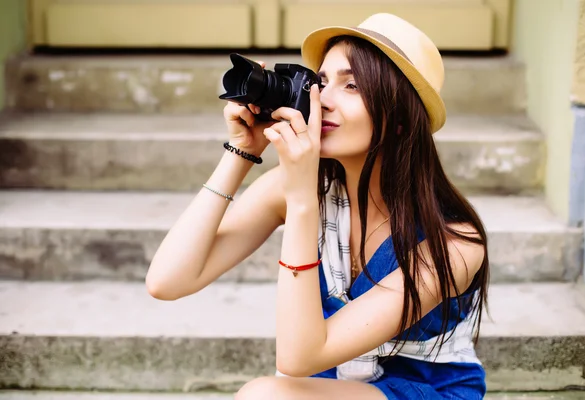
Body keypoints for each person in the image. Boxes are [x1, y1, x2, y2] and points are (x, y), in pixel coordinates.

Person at [146, 12, 489, 400]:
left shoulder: (456, 242)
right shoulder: (308, 188)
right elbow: (166, 281)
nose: (320, 100)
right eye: (321, 81)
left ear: (399, 119)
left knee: (266, 395)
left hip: (421, 390)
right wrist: (242, 151)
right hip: (330, 382)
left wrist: (300, 201)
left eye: (352, 86)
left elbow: (296, 359)